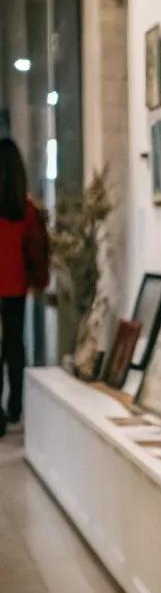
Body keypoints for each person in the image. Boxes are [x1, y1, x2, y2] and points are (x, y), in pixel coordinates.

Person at [0, 139, 49, 435]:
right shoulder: (26, 210)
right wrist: (37, 282)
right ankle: (15, 407)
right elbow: (35, 251)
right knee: (15, 346)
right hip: (15, 287)